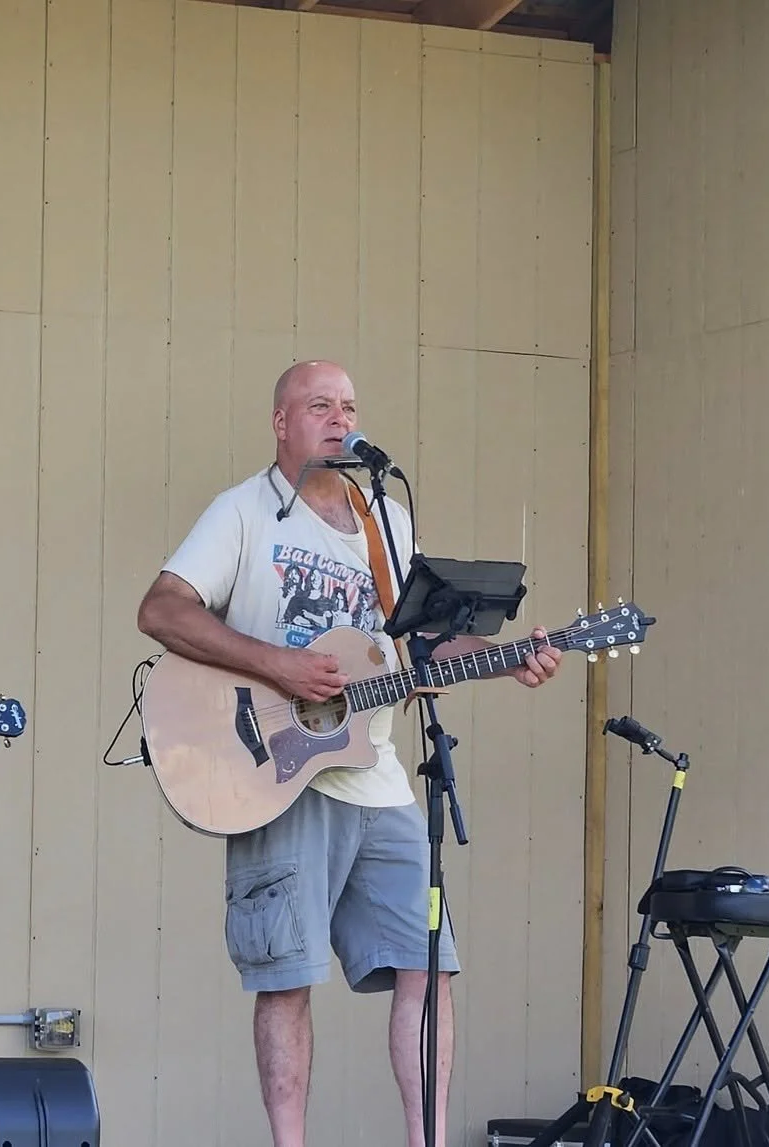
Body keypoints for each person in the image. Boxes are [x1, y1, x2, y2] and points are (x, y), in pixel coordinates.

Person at [135, 360, 562, 1147]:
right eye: (321, 405)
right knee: (288, 975)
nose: (340, 419)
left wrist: (510, 656)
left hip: (377, 774)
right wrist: (278, 665)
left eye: (350, 407)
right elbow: (161, 609)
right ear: (281, 422)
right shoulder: (244, 513)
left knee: (428, 964)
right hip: (273, 769)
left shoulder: (386, 524)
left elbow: (419, 644)